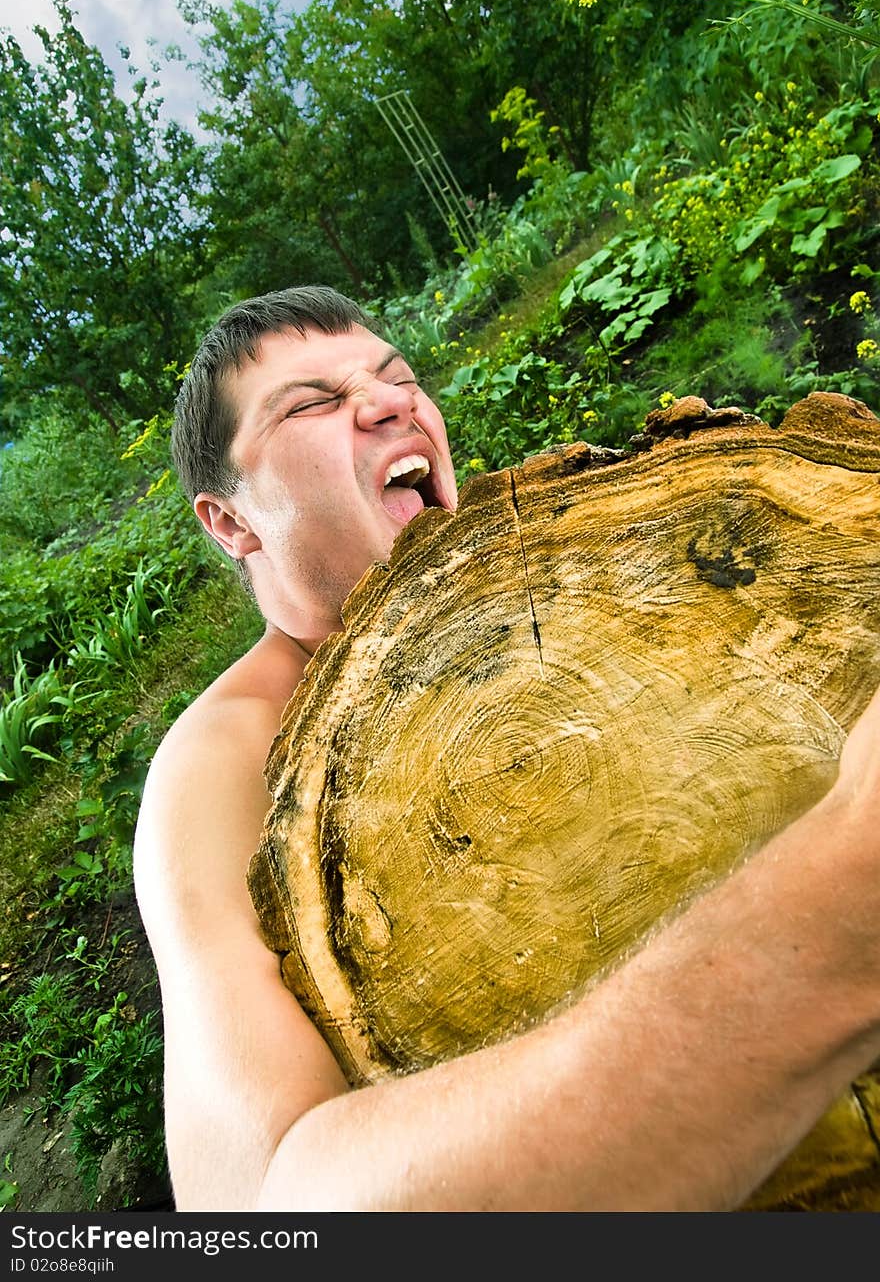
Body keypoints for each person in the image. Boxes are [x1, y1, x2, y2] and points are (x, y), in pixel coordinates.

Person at [133, 283, 880, 1214]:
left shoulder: (563, 560)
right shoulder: (218, 761)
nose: (388, 400)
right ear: (231, 521)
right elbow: (262, 1207)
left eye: (398, 377)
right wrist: (844, 914)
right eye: (316, 402)